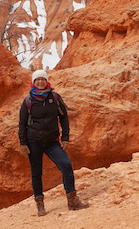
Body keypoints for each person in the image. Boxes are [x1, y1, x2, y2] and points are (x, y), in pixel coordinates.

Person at [18, 70, 89, 216]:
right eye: (37, 80)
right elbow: (22, 124)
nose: (40, 82)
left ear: (46, 81)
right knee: (36, 173)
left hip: (52, 142)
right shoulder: (28, 101)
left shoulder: (55, 98)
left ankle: (72, 201)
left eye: (42, 79)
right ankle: (40, 205)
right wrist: (23, 143)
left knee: (66, 165)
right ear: (33, 82)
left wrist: (65, 138)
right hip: (34, 142)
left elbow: (64, 118)